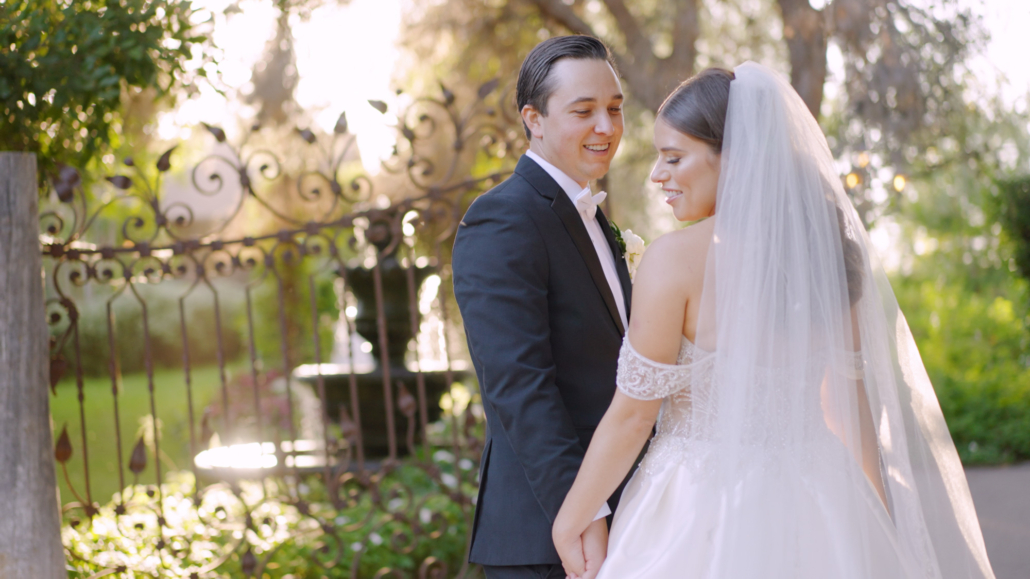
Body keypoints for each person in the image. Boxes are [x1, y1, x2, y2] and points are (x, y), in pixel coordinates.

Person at [552, 62, 997, 579]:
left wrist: (571, 517)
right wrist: (879, 521)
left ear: (736, 159)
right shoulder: (828, 255)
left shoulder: (674, 261)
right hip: (822, 499)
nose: (657, 175)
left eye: (673, 158)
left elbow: (633, 417)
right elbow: (846, 406)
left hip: (697, 509)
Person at [451, 35, 635, 579]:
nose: (606, 126)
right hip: (549, 538)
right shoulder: (503, 218)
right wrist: (584, 513)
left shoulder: (593, 216)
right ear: (534, 118)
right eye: (584, 111)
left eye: (615, 109)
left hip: (624, 516)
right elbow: (519, 384)